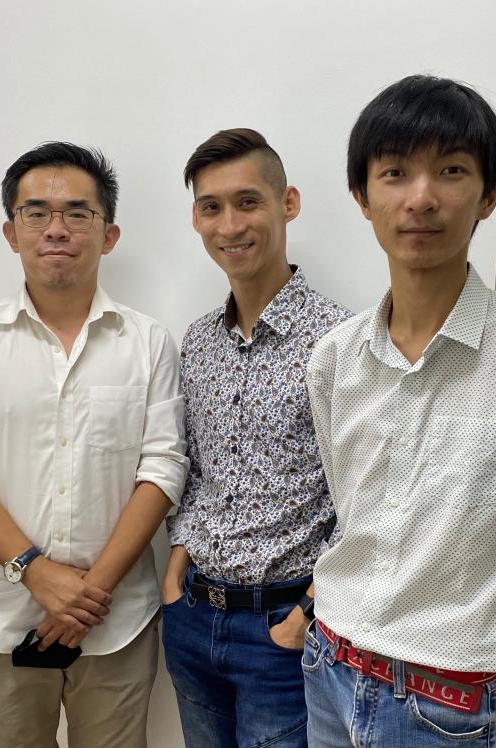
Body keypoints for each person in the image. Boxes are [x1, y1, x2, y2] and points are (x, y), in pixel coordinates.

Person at [303, 75, 496, 746]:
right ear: (362, 196)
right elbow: (348, 508)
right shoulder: (333, 358)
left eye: (450, 170)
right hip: (328, 662)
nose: (421, 198)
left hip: (449, 703)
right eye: (394, 173)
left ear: (489, 193)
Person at [0, 142, 188, 748]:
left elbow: (163, 470)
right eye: (36, 213)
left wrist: (88, 593)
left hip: (117, 621)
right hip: (3, 615)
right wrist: (34, 572)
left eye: (78, 213)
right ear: (10, 231)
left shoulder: (148, 342)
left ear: (110, 233)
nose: (57, 230)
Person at [162, 128, 350, 748]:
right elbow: (193, 467)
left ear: (287, 203)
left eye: (248, 202)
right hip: (192, 620)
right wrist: (176, 568)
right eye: (210, 207)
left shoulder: (341, 343)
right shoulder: (197, 341)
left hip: (284, 631)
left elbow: (369, 498)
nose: (229, 224)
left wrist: (306, 616)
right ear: (195, 218)